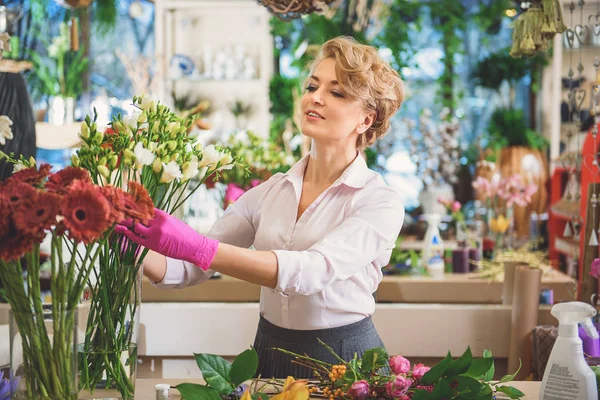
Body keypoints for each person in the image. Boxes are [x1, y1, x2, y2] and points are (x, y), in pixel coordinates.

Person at [116, 36, 405, 378]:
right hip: (268, 353)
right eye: (313, 86)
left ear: (366, 121)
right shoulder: (272, 191)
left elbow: (311, 271)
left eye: (337, 92)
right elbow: (188, 269)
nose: (316, 97)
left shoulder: (378, 201)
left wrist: (199, 246)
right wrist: (128, 239)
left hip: (344, 360)